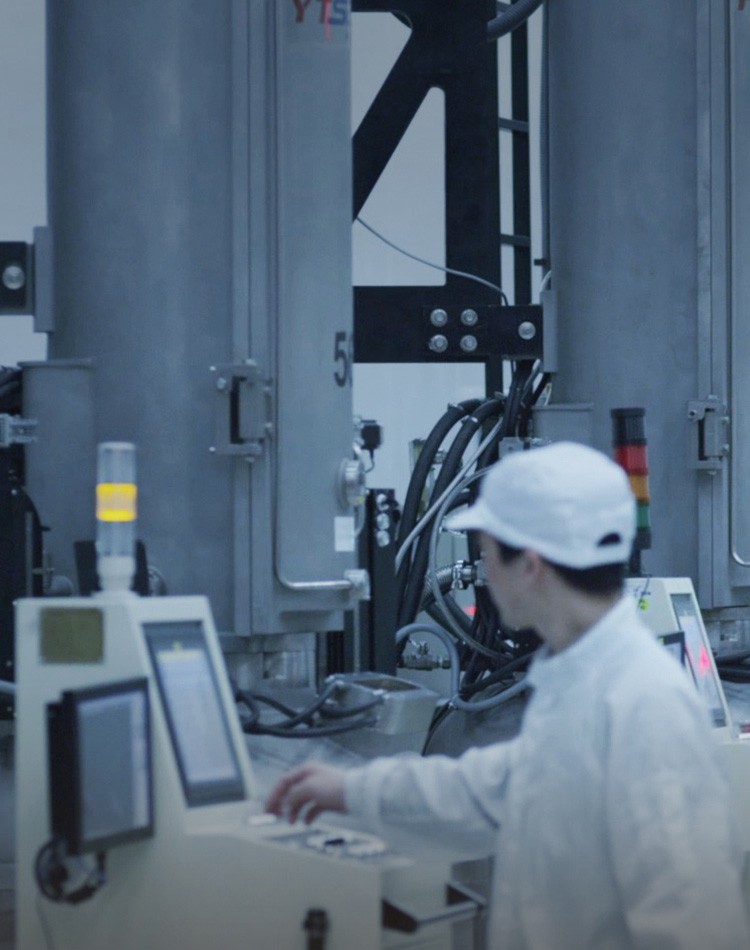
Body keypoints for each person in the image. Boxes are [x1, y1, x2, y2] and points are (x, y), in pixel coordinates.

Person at [267, 441, 750, 949]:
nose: (484, 573)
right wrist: (351, 791)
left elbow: (687, 919)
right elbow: (491, 792)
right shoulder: (577, 679)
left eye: (488, 553)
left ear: (531, 566)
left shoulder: (640, 702)